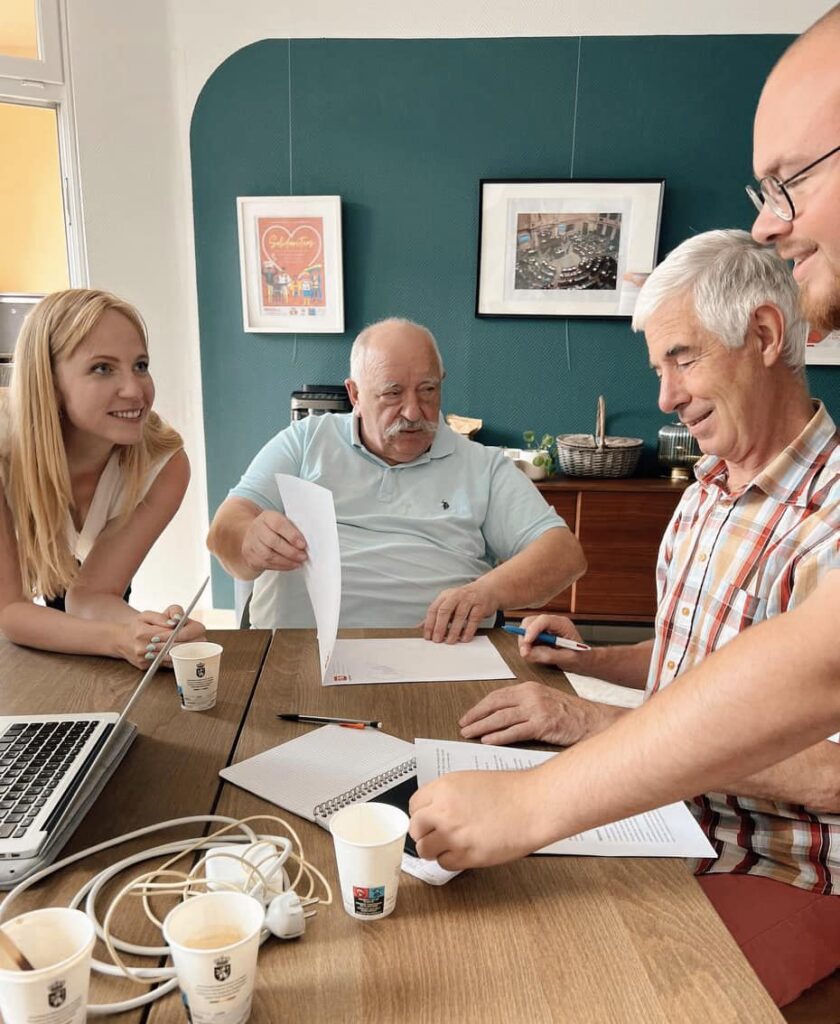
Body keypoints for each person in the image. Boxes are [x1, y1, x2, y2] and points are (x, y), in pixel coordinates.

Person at [413, 228, 839, 1007]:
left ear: (767, 336)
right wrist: (595, 662)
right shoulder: (706, 492)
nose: (667, 396)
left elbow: (828, 775)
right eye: (659, 368)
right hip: (662, 822)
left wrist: (588, 724)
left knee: (588, 994)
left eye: (683, 358)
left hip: (782, 870)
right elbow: (697, 666)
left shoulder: (830, 521)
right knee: (475, 939)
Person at [207, 317, 586, 640]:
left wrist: (486, 592)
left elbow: (564, 555)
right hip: (299, 649)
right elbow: (224, 529)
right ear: (354, 393)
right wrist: (249, 539)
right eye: (392, 394)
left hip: (438, 653)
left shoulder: (483, 465)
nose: (413, 411)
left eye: (428, 390)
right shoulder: (307, 441)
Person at [0, 289, 204, 670]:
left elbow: (91, 594)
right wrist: (119, 639)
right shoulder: (4, 449)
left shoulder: (164, 465)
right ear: (49, 381)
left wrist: (150, 632)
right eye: (102, 368)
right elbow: (10, 609)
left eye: (140, 365)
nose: (135, 390)